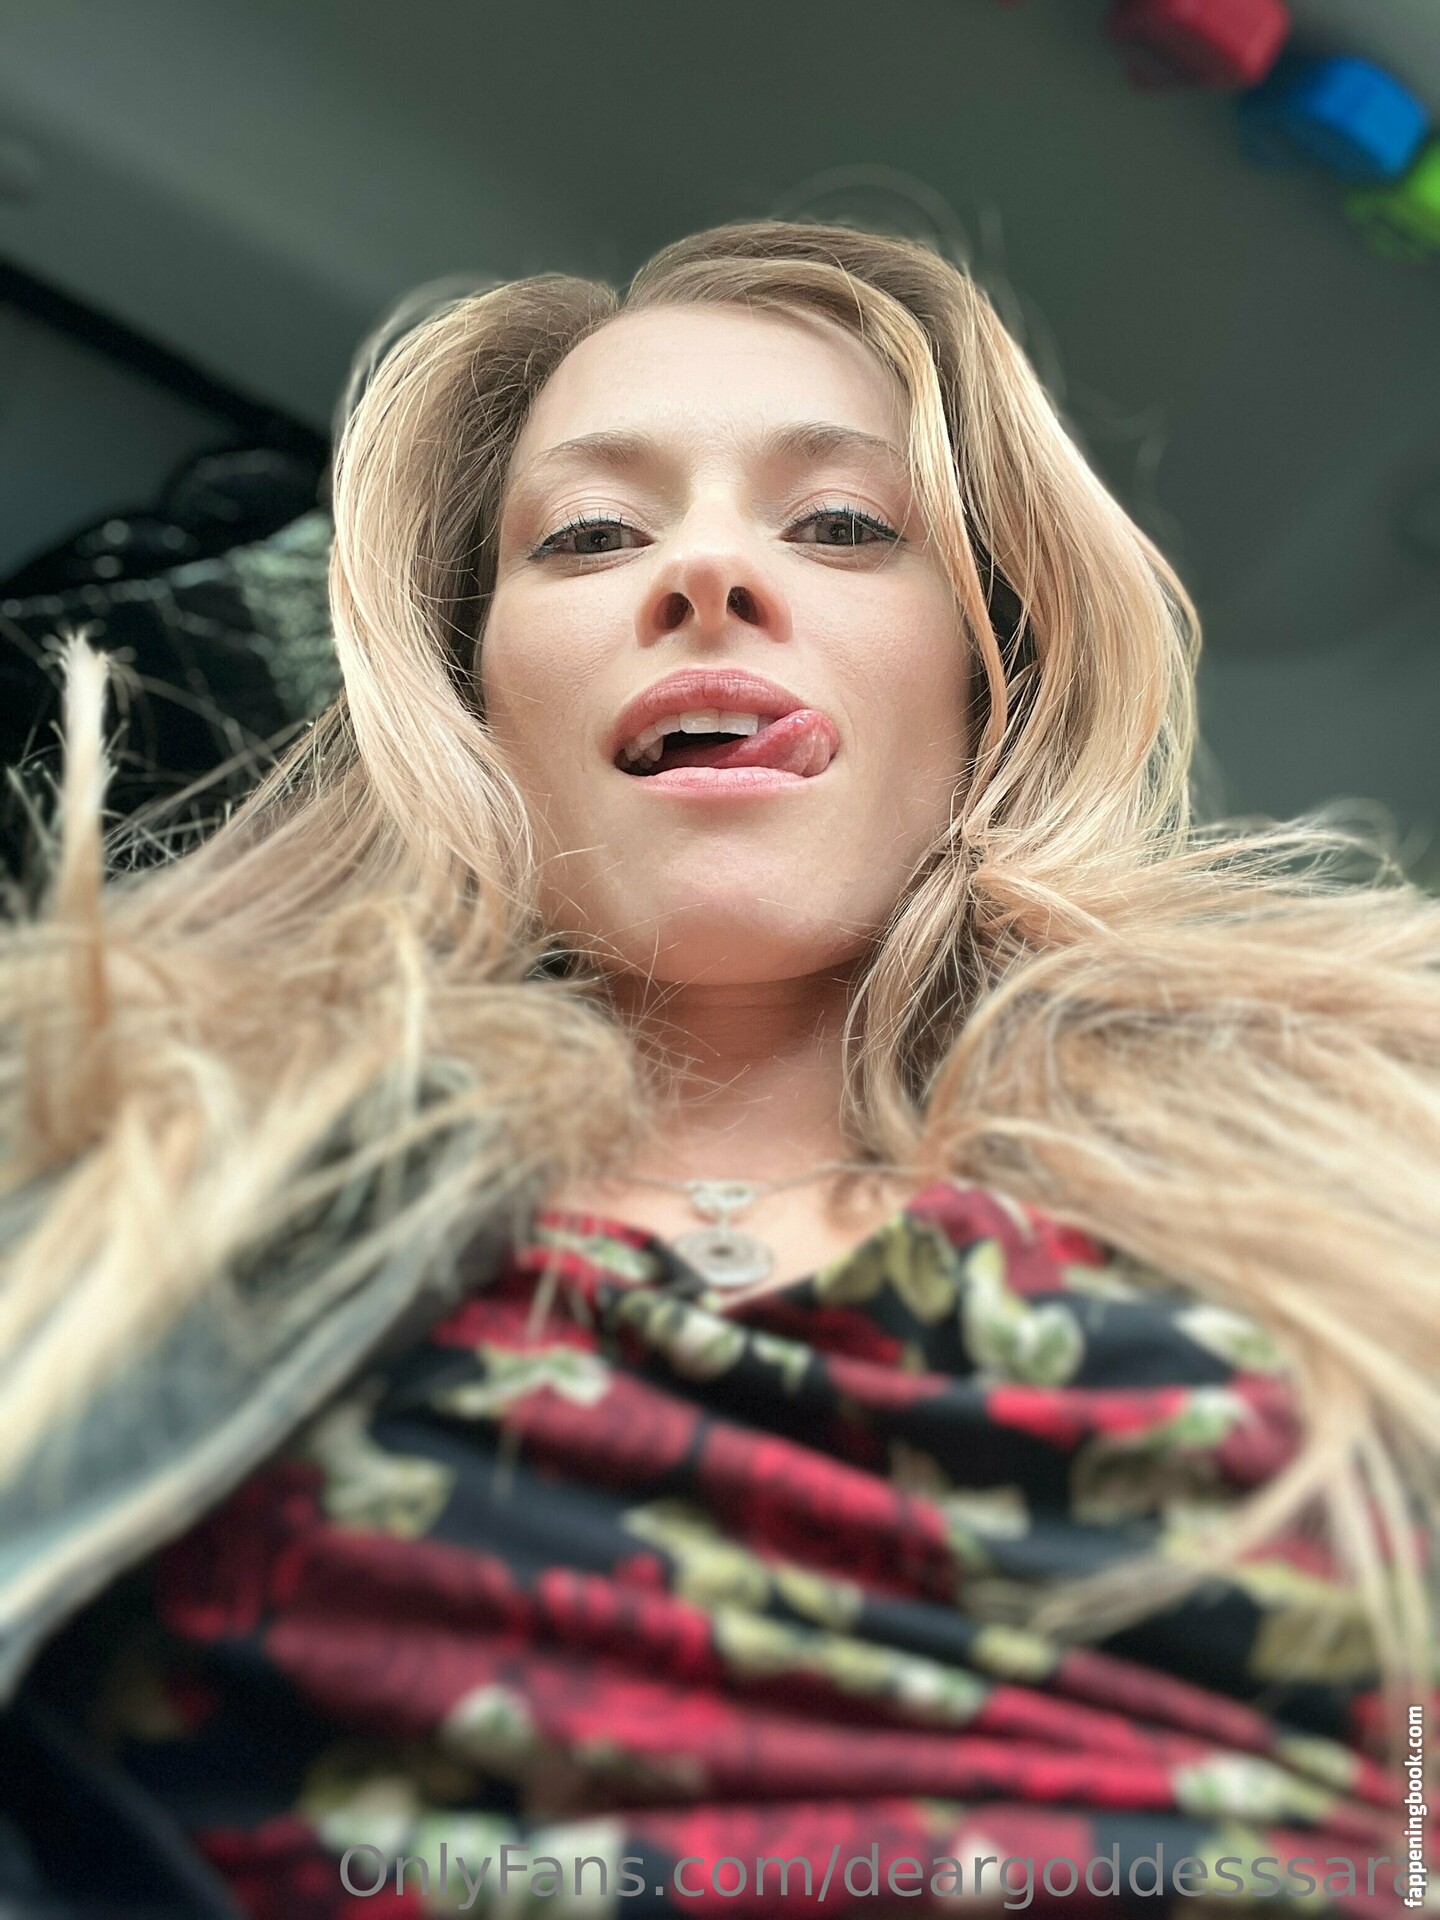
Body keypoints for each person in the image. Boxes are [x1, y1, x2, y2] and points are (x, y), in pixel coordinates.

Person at [0, 221, 1435, 1919]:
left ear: (993, 670)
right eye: (589, 536)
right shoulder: (119, 1154)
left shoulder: (1378, 1146)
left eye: (841, 525)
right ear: (474, 697)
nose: (704, 574)